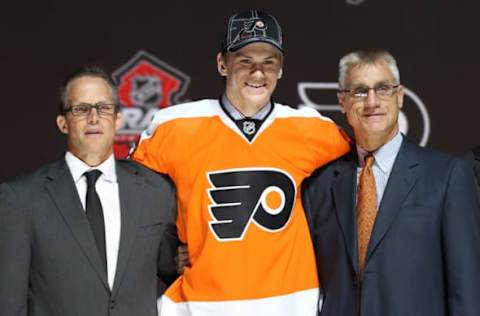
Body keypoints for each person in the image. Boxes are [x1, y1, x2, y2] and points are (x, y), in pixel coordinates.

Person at [132, 9, 350, 316]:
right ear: (223, 63)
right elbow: (126, 194)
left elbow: (367, 178)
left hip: (290, 306)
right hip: (199, 307)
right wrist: (163, 252)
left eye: (268, 63)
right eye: (245, 61)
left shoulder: (313, 129)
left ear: (281, 69)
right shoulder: (174, 126)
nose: (257, 73)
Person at [302, 50, 480, 315]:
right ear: (342, 101)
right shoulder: (319, 185)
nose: (372, 101)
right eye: (360, 91)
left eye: (383, 89)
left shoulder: (447, 176)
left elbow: (466, 290)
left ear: (400, 96)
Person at [0, 66, 178, 316]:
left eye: (103, 108)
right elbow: (8, 305)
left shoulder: (156, 191)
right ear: (63, 123)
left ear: (118, 119)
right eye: (81, 109)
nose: (93, 118)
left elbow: (184, 272)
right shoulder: (20, 199)